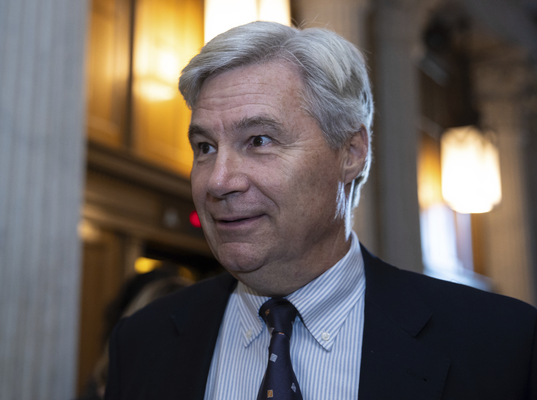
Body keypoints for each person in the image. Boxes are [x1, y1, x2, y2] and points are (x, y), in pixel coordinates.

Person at [105, 22, 537, 400]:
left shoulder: (500, 345)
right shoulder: (144, 342)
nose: (218, 181)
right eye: (205, 147)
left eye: (259, 140)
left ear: (351, 152)